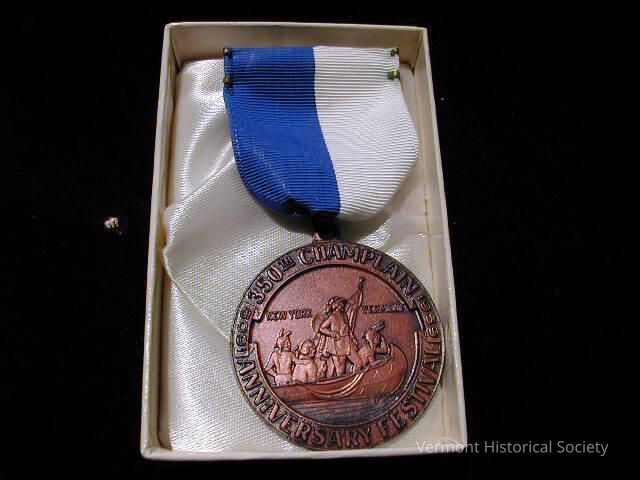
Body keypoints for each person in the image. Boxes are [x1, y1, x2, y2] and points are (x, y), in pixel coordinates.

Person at [318, 286, 364, 376]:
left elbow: (348, 328)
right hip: (338, 345)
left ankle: (353, 380)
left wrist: (353, 338)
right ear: (336, 305)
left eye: (342, 303)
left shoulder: (344, 316)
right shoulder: (332, 317)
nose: (342, 305)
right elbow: (322, 328)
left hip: (347, 342)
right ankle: (343, 383)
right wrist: (332, 333)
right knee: (340, 370)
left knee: (358, 363)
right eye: (340, 303)